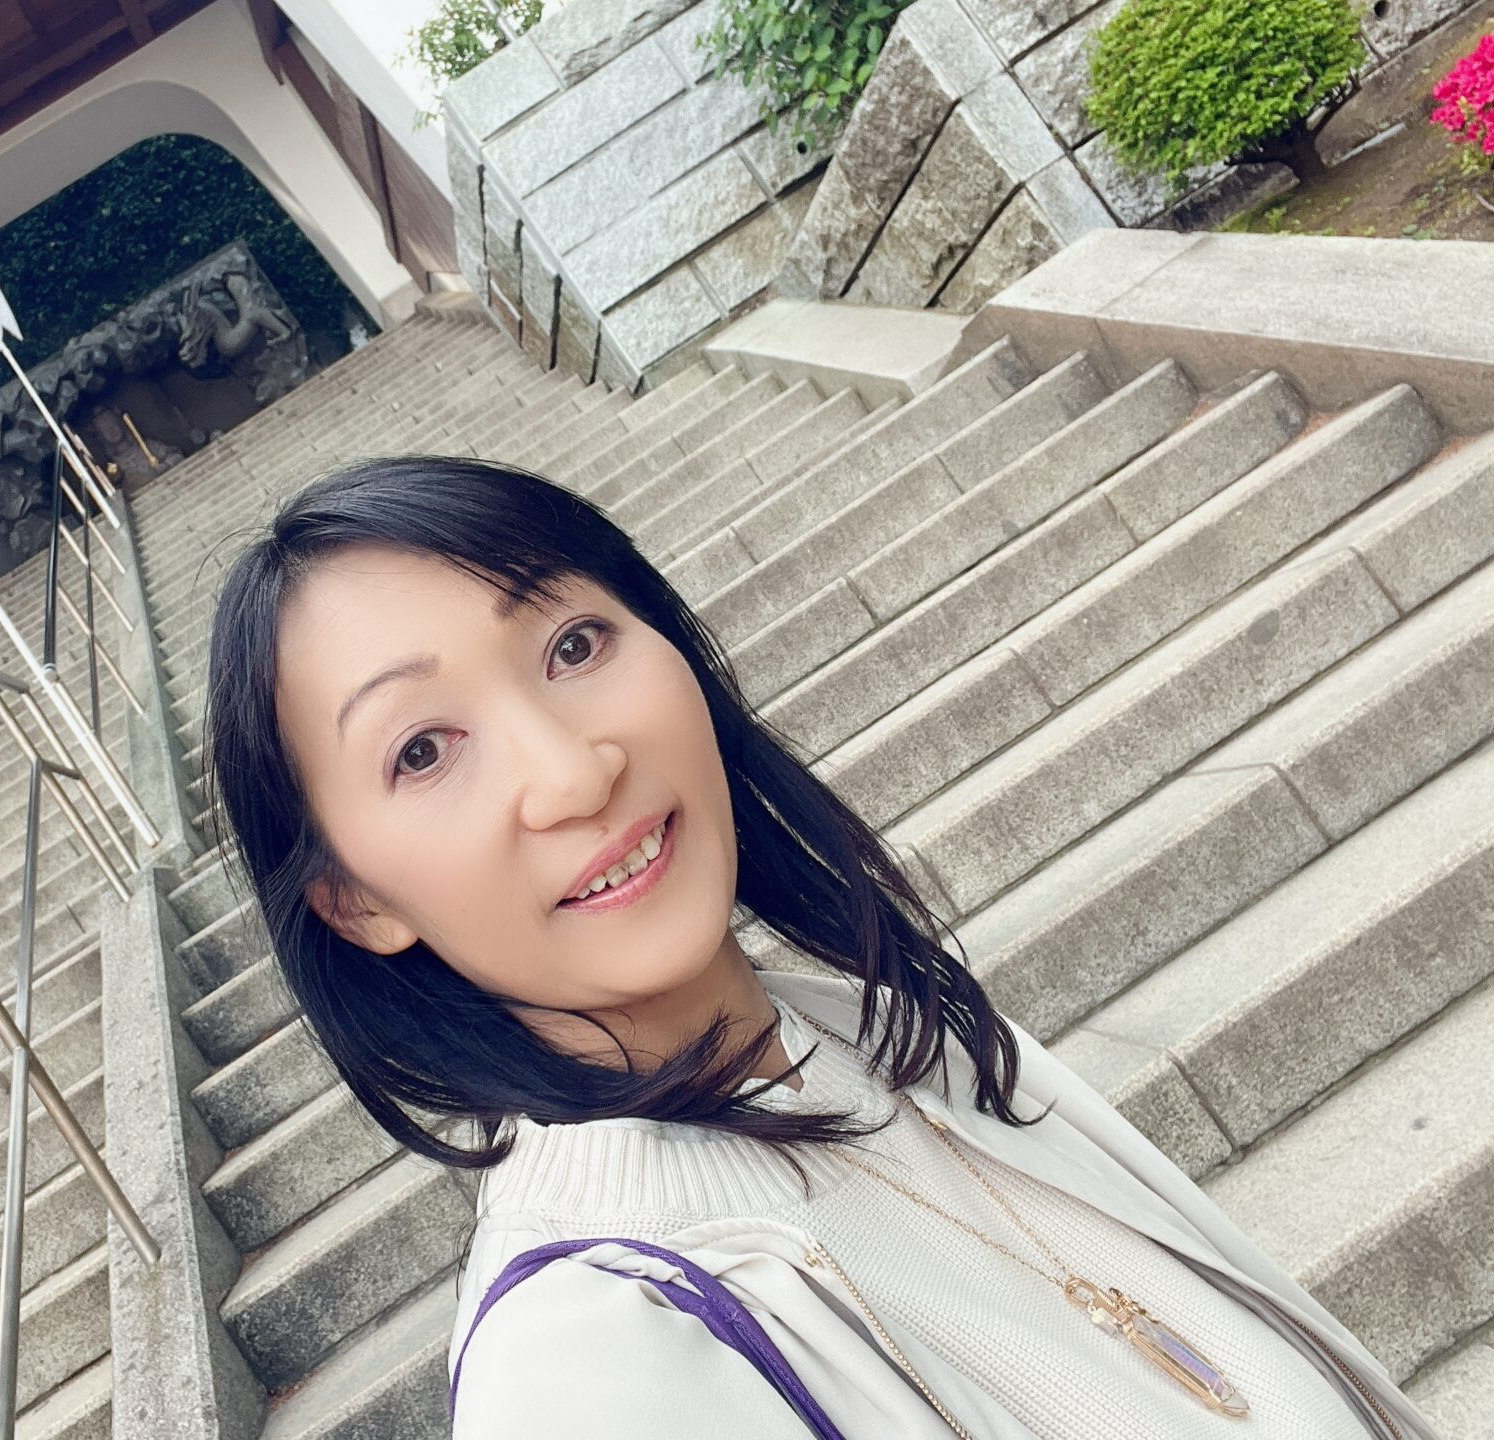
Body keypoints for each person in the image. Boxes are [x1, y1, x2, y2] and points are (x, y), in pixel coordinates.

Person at [199, 454, 1438, 1439]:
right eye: (422, 751)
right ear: (354, 902)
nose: (573, 773)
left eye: (574, 645)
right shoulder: (589, 1363)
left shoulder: (877, 1029)